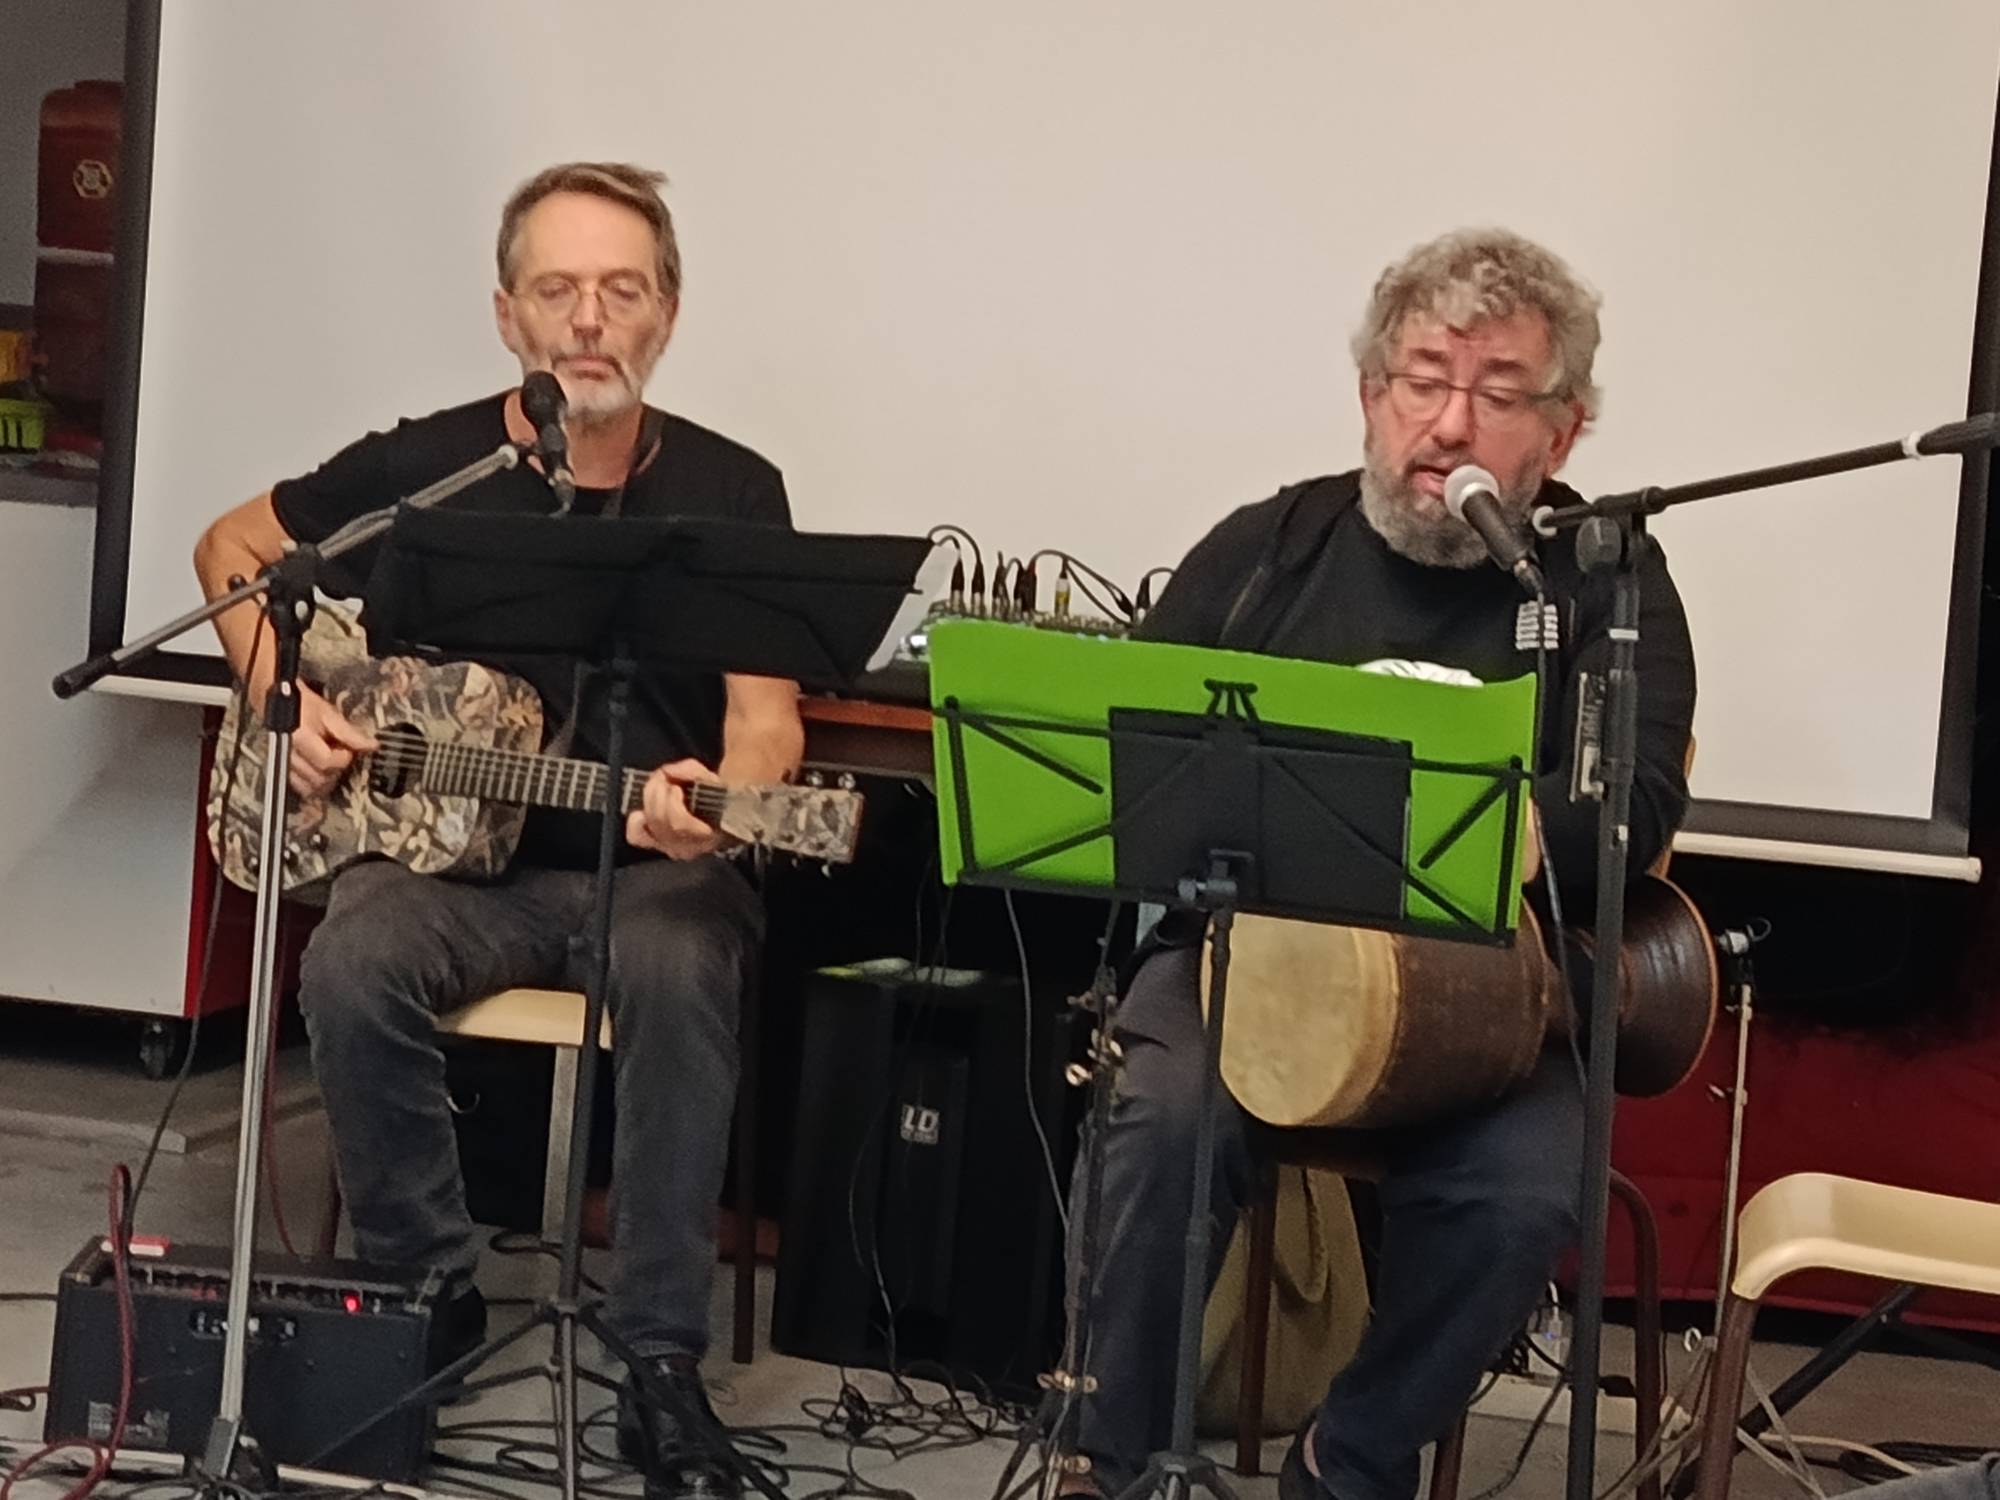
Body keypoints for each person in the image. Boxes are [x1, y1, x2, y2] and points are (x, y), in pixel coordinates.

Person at [193, 162, 801, 1500]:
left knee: (682, 965)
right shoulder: (434, 469)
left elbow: (769, 726)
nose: (589, 319)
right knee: (353, 958)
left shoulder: (733, 489)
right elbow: (231, 550)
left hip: (655, 868)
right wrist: (284, 701)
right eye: (557, 289)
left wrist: (717, 798)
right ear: (507, 314)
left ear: (667, 314)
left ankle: (658, 1361)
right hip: (455, 868)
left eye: (622, 291)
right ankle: (424, 1292)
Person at [1062, 229, 1699, 1500]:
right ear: (1369, 393)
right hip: (1246, 964)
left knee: (1522, 1195)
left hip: (1491, 993)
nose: (1448, 423)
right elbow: (1135, 748)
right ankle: (1103, 1462)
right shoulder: (1267, 551)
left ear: (1562, 431)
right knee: (1155, 1114)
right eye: (1421, 380)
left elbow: (1636, 802)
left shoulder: (1603, 581)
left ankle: (1344, 1460)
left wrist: (1521, 823)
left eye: (1498, 393)